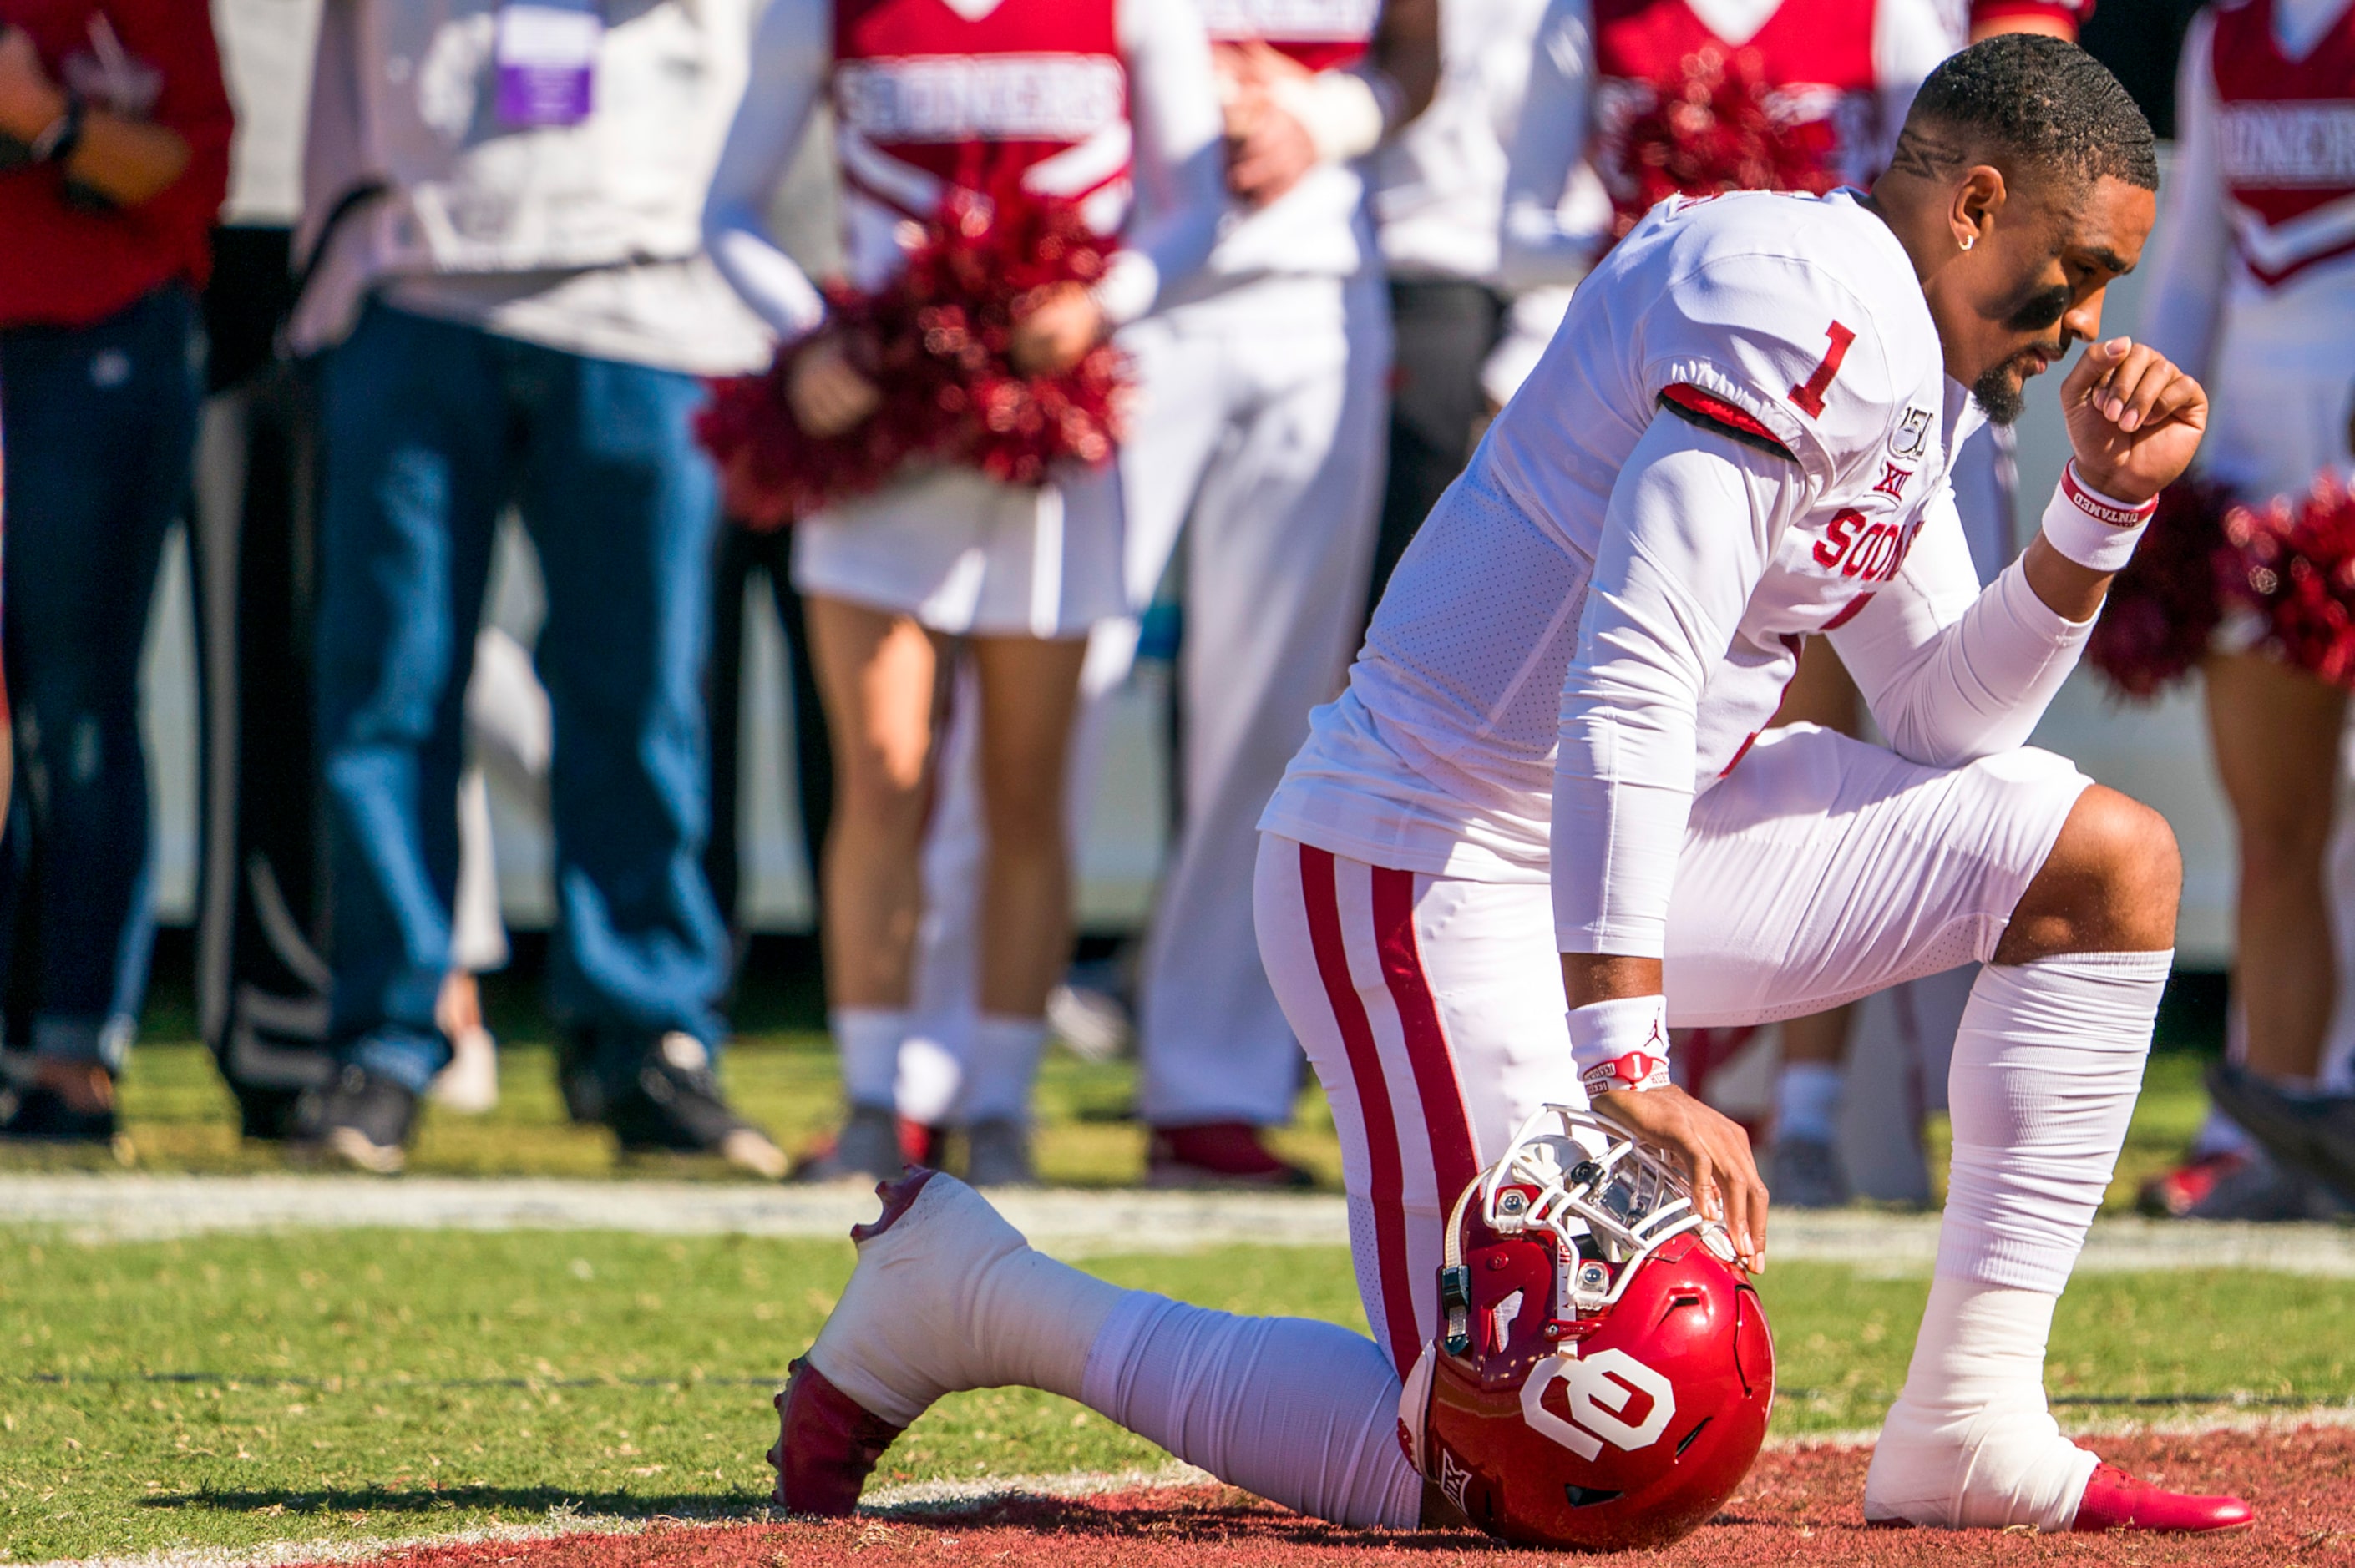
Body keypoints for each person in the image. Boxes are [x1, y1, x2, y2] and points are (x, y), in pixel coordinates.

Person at [771, 38, 2255, 1536]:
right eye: (2074, 273)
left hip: (1635, 835)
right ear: (1974, 208)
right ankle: (974, 1300)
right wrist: (1630, 1065)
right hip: (1429, 852)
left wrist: (2101, 505)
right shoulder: (1813, 306)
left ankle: (1971, 1418)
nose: (2087, 327)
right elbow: (1634, 668)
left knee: (2101, 864)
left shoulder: (1897, 344)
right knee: (1501, 1448)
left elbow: (1944, 716)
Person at [820, 0, 1441, 1187]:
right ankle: (929, 1070)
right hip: (1101, 296)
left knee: (1269, 713)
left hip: (1306, 289)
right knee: (1032, 702)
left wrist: (1330, 114)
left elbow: (1420, 52)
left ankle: (1211, 1083)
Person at [701, 0, 1229, 1188]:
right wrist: (812, 335)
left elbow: (1194, 203)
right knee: (884, 772)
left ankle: (999, 1097)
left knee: (1025, 788)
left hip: (1049, 447)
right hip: (880, 443)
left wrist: (1105, 303)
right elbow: (724, 211)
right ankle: (878, 1096)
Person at [286, 0, 785, 1176]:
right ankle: (389, 1039)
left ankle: (646, 1031)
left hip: (645, 289)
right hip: (415, 275)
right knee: (388, 685)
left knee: (639, 691)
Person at [2135, 0, 2355, 1220]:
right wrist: (2172, 467)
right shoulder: (2224, 37)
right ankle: (2277, 1125)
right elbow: (2198, 263)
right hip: (2265, 480)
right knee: (2277, 831)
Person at [0, 0, 230, 1144]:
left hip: (98, 333)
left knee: (78, 703)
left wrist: (47, 118)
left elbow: (197, 171)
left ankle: (72, 1048)